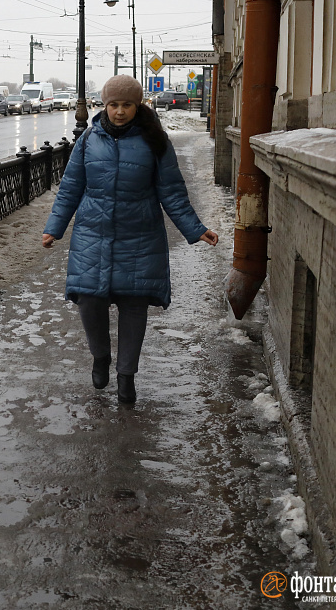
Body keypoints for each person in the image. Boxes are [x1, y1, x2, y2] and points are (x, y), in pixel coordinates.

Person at [41, 75, 218, 404]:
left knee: (134, 306)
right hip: (93, 234)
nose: (119, 111)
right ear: (104, 105)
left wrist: (196, 229)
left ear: (138, 106)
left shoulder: (155, 141)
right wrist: (55, 227)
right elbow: (70, 188)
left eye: (126, 105)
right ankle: (100, 357)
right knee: (89, 301)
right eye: (113, 104)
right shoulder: (89, 140)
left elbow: (172, 192)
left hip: (141, 236)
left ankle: (126, 378)